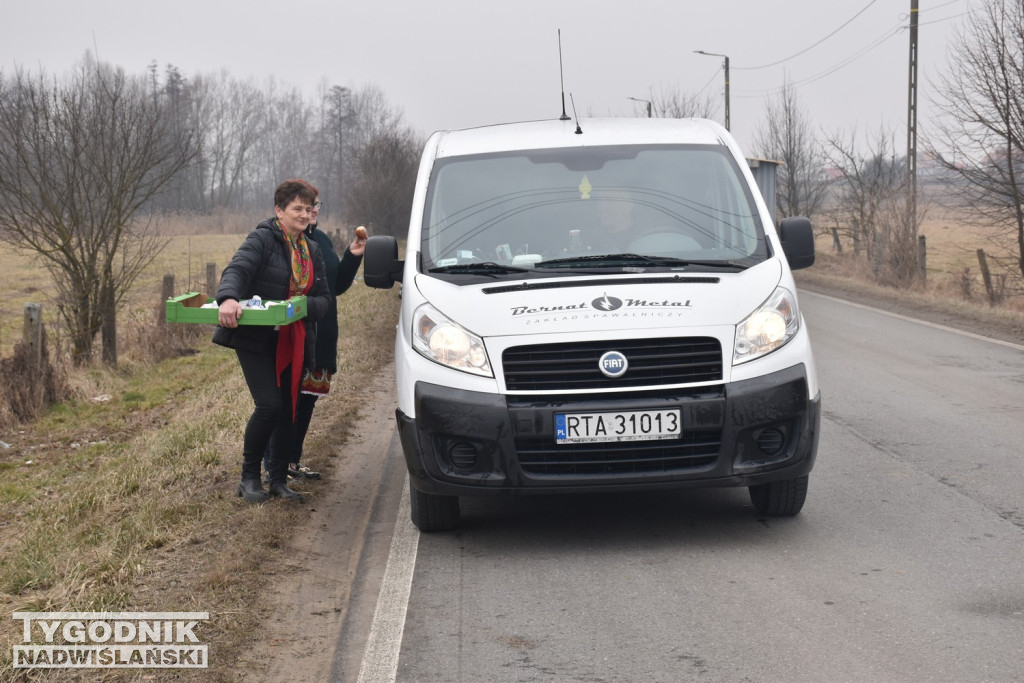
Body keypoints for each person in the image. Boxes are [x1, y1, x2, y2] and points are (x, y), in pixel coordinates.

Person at [213, 179, 331, 503]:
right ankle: (249, 478)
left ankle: (277, 480)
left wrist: (301, 307)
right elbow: (237, 269)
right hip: (256, 338)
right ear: (279, 210)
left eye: (308, 209)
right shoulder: (263, 238)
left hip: (293, 339)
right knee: (270, 406)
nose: (305, 215)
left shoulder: (312, 249)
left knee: (289, 409)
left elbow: (324, 298)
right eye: (298, 208)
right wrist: (228, 298)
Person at [262, 185, 367, 482]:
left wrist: (352, 255)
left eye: (315, 205)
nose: (312, 211)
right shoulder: (279, 240)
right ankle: (273, 466)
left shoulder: (320, 240)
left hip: (322, 334)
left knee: (307, 399)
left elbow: (335, 287)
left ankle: (292, 461)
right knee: (283, 401)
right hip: (291, 335)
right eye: (306, 206)